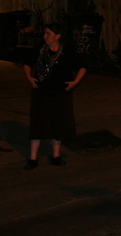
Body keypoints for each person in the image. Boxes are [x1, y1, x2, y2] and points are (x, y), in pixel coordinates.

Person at [23, 23, 86, 170]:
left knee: (59, 122)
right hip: (41, 91)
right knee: (38, 122)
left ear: (57, 36)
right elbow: (27, 63)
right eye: (45, 33)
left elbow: (83, 66)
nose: (45, 36)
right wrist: (29, 77)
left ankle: (56, 156)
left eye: (48, 33)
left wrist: (76, 81)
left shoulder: (67, 50)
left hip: (61, 92)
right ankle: (33, 158)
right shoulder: (40, 49)